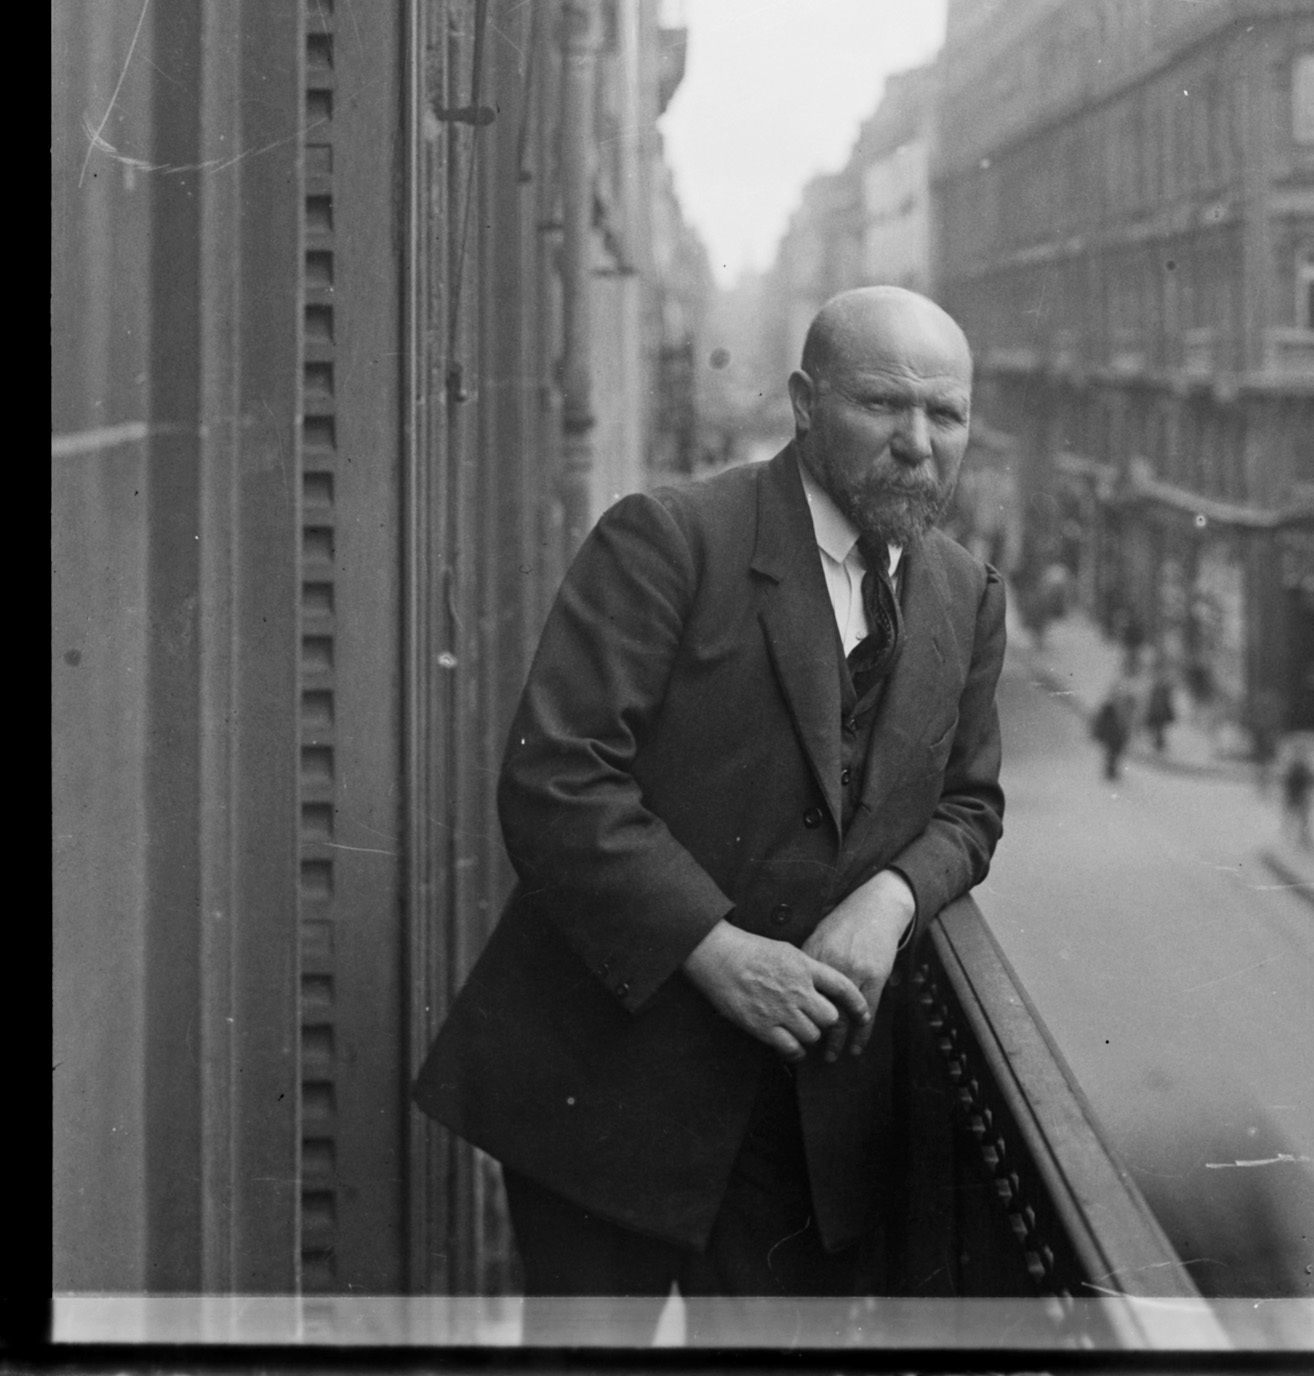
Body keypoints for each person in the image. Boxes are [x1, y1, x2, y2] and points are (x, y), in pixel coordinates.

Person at [412, 286, 1006, 1322]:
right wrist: (718, 953)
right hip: (608, 1090)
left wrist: (895, 898)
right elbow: (557, 777)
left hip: (811, 1123)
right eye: (882, 404)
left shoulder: (966, 590)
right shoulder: (670, 538)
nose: (918, 443)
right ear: (804, 402)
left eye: (944, 413)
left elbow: (968, 804)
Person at [1091, 658, 1141, 783]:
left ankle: (1111, 770)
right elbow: (1111, 700)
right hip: (1114, 723)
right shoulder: (1119, 682)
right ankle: (1110, 771)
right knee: (1113, 749)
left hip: (1121, 723)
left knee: (1117, 749)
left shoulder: (1133, 683)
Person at [1281, 743, 1314, 846]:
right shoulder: (1295, 768)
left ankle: (1300, 838)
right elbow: (1287, 782)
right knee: (1294, 817)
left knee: (1301, 818)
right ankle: (1291, 838)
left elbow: (1311, 781)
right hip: (1295, 795)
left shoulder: (1300, 767)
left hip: (1300, 795)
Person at [1144, 666, 1176, 756]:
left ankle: (1159, 745)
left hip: (1159, 713)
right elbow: (1152, 704)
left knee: (1159, 730)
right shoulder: (1156, 692)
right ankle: (1158, 745)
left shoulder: (1161, 691)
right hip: (1157, 713)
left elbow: (1166, 703)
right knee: (1158, 730)